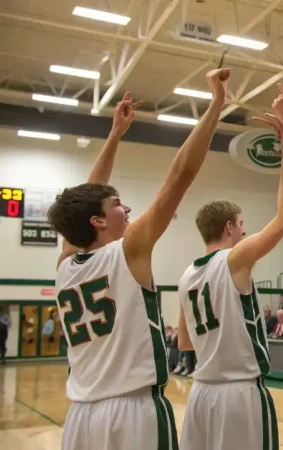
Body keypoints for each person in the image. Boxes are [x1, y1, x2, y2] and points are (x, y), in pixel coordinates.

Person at [48, 68, 230, 450]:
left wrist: (115, 135)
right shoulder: (129, 251)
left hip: (80, 416)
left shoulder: (65, 264)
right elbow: (179, 176)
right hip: (133, 412)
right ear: (98, 221)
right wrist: (215, 106)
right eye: (116, 204)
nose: (126, 207)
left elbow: (84, 198)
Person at [177, 109, 283, 450]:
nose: (245, 231)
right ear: (229, 227)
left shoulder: (186, 276)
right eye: (241, 224)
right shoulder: (234, 259)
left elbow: (185, 344)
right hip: (239, 393)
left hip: (201, 394)